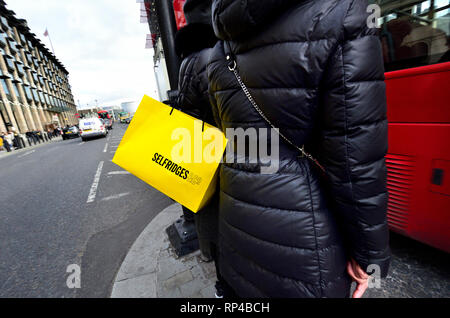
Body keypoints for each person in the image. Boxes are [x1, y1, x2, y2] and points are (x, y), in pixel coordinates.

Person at [207, 0, 390, 298]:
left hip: (236, 228)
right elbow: (354, 158)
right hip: (306, 243)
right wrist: (370, 255)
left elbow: (232, 137)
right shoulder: (346, 11)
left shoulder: (219, 48)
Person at [174, 0, 233, 298]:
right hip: (234, 158)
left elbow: (190, 120)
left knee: (218, 232)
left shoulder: (188, 62)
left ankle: (223, 287)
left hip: (204, 161)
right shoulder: (223, 54)